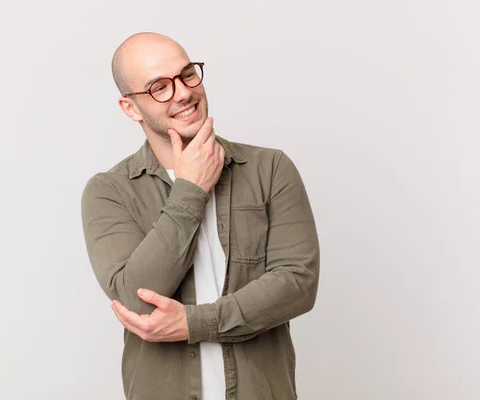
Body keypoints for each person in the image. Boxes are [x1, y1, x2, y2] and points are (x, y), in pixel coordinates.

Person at [81, 32, 320, 400]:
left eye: (187, 74)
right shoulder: (109, 191)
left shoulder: (269, 169)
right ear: (130, 108)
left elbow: (297, 284)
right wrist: (190, 190)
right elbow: (138, 300)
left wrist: (193, 324)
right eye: (159, 87)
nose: (183, 93)